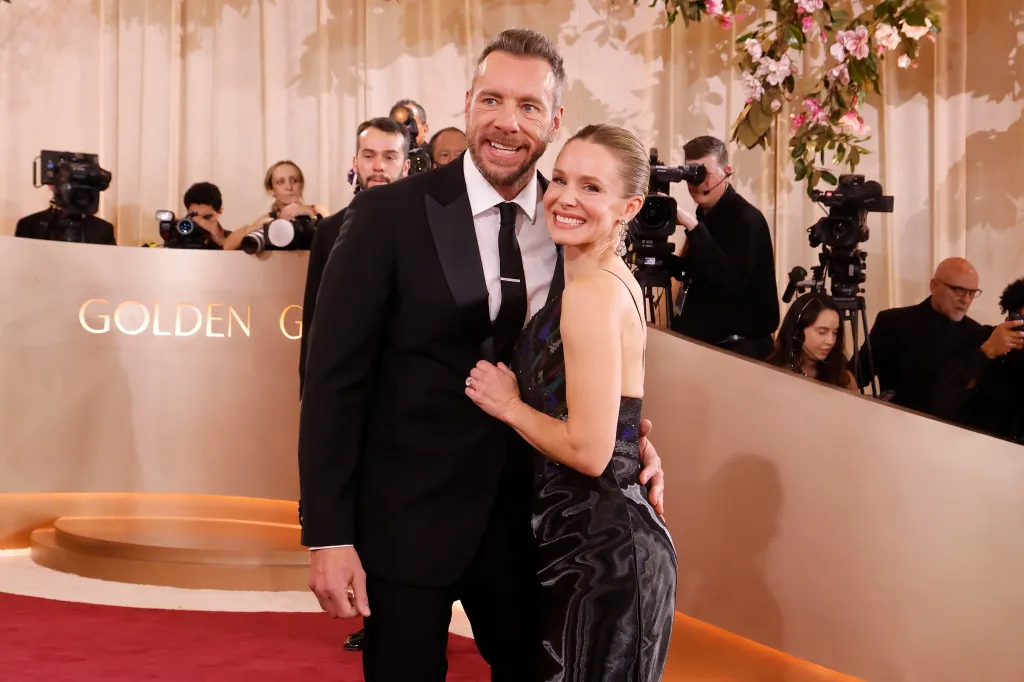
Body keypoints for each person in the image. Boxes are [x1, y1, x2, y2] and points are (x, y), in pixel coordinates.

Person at [298, 28, 665, 681]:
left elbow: (588, 358)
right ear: (467, 103)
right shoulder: (387, 216)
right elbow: (331, 382)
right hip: (405, 523)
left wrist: (628, 439)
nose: (507, 121)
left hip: (537, 530)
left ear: (554, 120)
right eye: (492, 99)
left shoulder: (572, 218)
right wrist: (328, 532)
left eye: (529, 106)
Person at [465, 123, 677, 681]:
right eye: (559, 179)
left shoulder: (590, 293)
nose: (564, 197)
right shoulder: (601, 278)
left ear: (629, 207)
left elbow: (587, 450)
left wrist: (508, 404)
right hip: (593, 540)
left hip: (600, 551)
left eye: (591, 187)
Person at [296, 117, 410, 653]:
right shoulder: (329, 230)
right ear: (354, 162)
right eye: (370, 155)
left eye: (390, 156)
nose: (380, 165)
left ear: (406, 163)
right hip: (350, 398)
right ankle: (373, 614)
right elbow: (317, 328)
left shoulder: (427, 227)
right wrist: (310, 395)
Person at [853, 257, 1024, 420]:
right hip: (898, 428)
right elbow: (857, 373)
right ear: (934, 286)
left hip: (956, 436)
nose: (965, 300)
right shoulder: (893, 322)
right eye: (958, 290)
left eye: (972, 293)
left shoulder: (977, 333)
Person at [670, 136, 779, 359]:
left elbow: (730, 279)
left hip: (738, 353)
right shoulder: (705, 216)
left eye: (704, 174)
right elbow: (699, 275)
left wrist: (693, 227)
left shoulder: (747, 220)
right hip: (705, 347)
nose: (698, 182)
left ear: (727, 171)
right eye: (691, 175)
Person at [224, 160, 326, 251]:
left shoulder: (317, 210)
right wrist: (253, 227)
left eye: (294, 181)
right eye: (281, 182)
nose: (289, 187)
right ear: (271, 190)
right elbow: (227, 246)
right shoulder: (269, 219)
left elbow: (335, 239)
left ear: (301, 185)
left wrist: (310, 212)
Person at [766, 292, 857, 391]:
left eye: (835, 333)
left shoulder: (843, 378)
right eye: (822, 332)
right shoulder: (772, 372)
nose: (830, 341)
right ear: (797, 331)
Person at [180, 182, 234, 249]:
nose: (201, 223)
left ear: (220, 211)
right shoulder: (179, 238)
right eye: (193, 216)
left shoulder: (234, 240)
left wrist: (221, 242)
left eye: (207, 217)